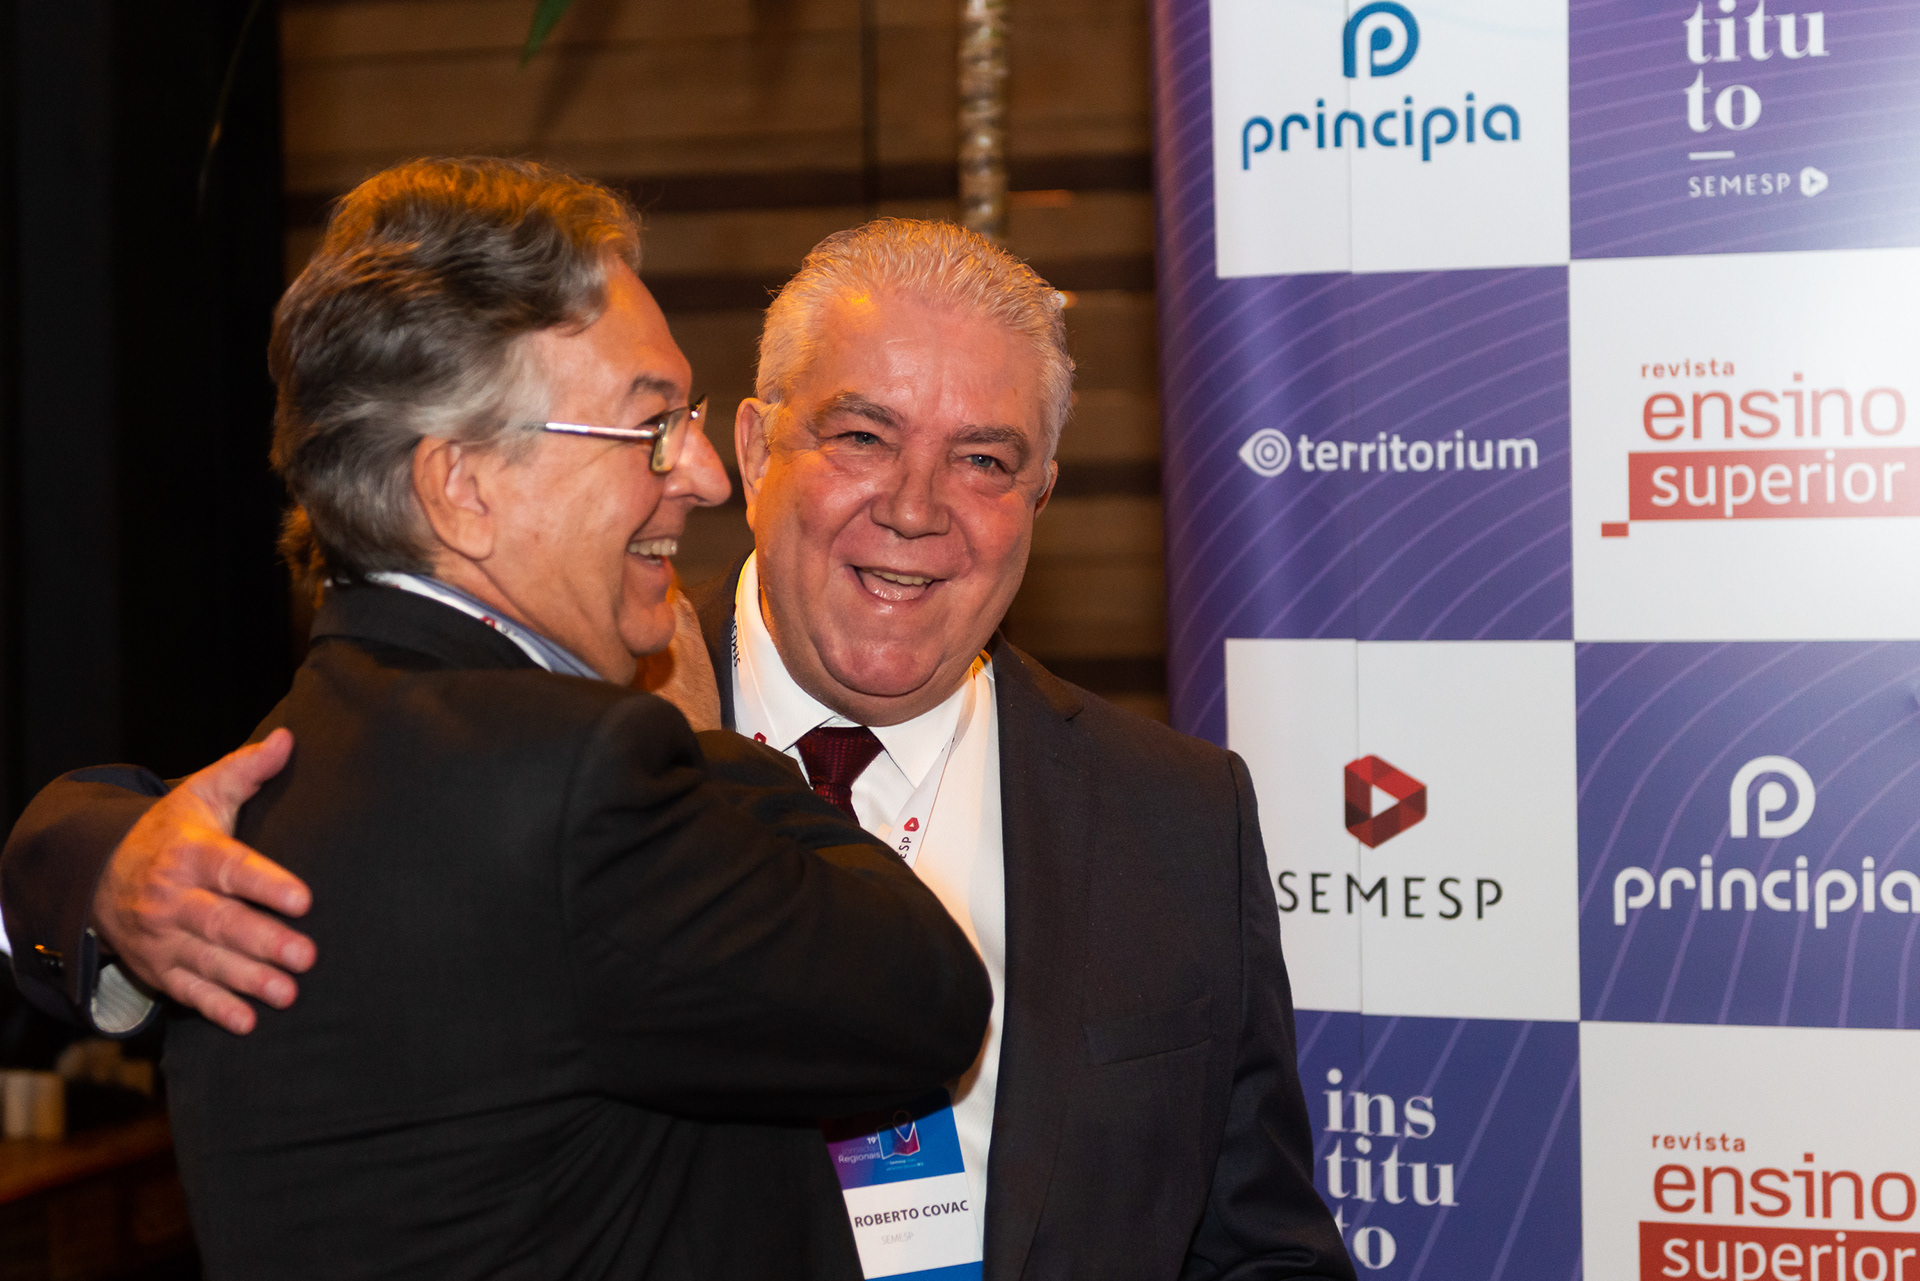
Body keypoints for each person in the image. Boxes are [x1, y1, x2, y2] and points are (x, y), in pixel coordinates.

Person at [5, 215, 1354, 1280]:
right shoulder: (582, 716)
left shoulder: (1174, 816)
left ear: (1043, 497)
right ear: (754, 448)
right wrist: (107, 874)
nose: (917, 508)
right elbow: (305, 802)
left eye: (987, 461)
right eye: (863, 435)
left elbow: (1258, 1249)